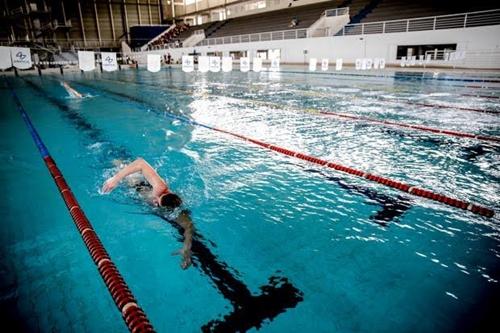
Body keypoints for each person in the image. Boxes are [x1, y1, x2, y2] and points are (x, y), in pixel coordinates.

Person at [102, 158, 193, 269]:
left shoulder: (172, 209)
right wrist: (115, 179)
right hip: (136, 181)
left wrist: (186, 248)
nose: (155, 201)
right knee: (115, 162)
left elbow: (189, 226)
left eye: (157, 204)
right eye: (159, 197)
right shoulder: (160, 186)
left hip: (138, 192)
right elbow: (140, 162)